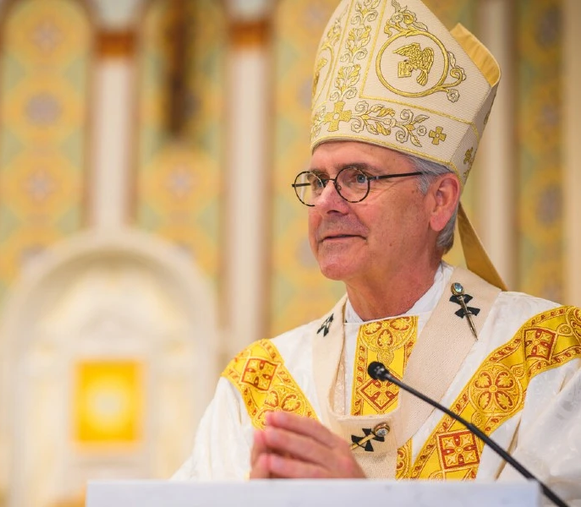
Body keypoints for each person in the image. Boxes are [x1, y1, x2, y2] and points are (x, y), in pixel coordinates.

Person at [173, 0, 581, 502]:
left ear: (439, 200)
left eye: (358, 178)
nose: (326, 203)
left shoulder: (548, 358)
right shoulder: (259, 383)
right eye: (318, 180)